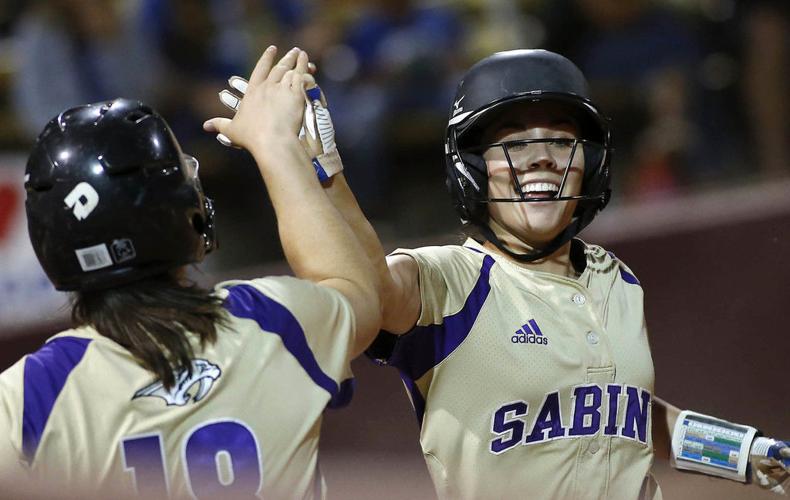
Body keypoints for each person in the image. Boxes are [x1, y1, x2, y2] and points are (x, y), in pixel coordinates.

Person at [221, 49, 788, 499]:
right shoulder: (449, 282)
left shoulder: (619, 280)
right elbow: (364, 286)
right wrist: (320, 175)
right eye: (514, 144)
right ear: (472, 169)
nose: (541, 157)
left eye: (561, 142)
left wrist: (745, 452)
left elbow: (626, 413)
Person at [0, 46, 379, 499]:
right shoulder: (270, 320)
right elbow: (357, 289)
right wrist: (279, 148)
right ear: (178, 213)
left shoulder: (26, 397)